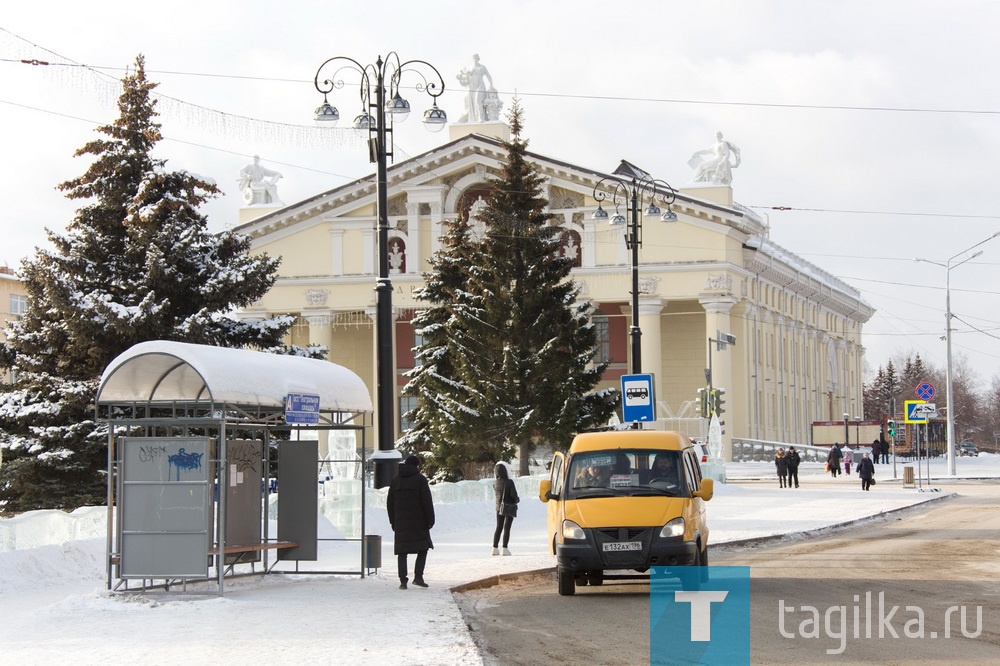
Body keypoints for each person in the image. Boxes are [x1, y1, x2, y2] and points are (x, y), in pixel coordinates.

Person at [387, 455, 435, 590]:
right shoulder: (420, 480)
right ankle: (418, 577)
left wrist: (393, 521)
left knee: (402, 551)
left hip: (400, 523)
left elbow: (389, 503)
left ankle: (403, 581)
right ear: (417, 466)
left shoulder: (395, 481)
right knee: (423, 548)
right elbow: (427, 502)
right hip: (418, 522)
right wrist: (430, 520)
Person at [456, 54, 495, 123]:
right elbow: (464, 77)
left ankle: (481, 117)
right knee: (471, 101)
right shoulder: (470, 68)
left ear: (478, 59)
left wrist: (491, 84)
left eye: (476, 58)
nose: (475, 59)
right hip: (472, 85)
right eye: (474, 58)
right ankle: (473, 118)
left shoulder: (482, 67)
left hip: (480, 84)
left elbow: (488, 75)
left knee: (478, 100)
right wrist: (460, 77)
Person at [492, 461, 519, 556]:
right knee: (507, 528)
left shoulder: (495, 483)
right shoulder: (509, 482)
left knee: (498, 527)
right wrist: (517, 499)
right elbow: (514, 495)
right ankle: (505, 548)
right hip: (509, 506)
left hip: (498, 507)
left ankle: (495, 548)